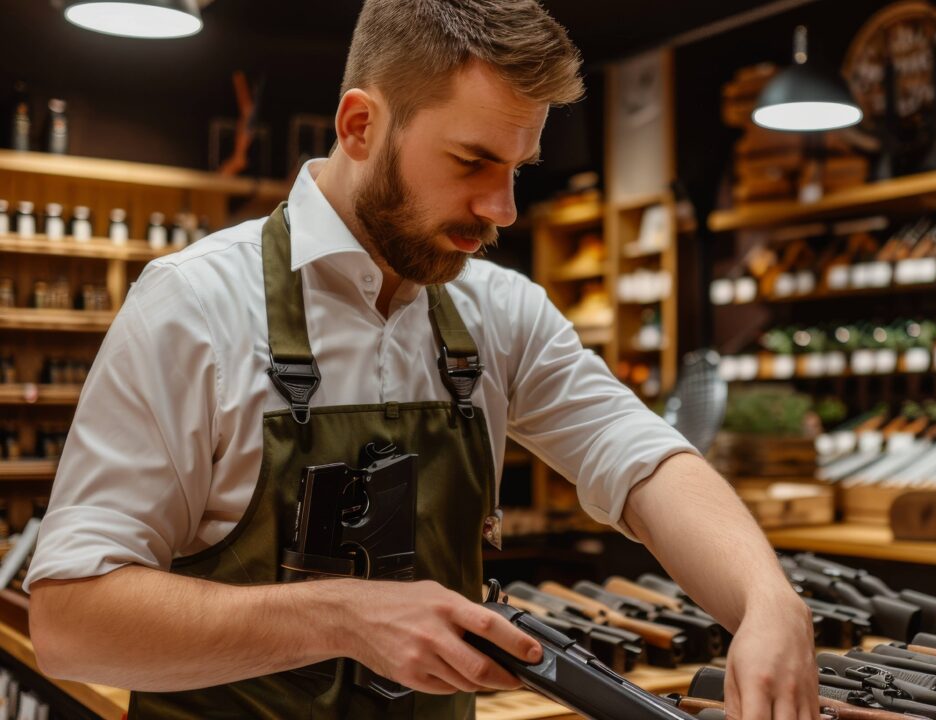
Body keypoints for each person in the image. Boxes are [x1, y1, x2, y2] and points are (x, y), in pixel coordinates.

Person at [26, 1, 817, 718]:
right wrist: (340, 616)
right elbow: (70, 623)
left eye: (517, 170)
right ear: (361, 125)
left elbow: (643, 462)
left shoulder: (499, 313)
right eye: (472, 162)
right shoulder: (192, 307)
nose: (502, 209)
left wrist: (766, 599)